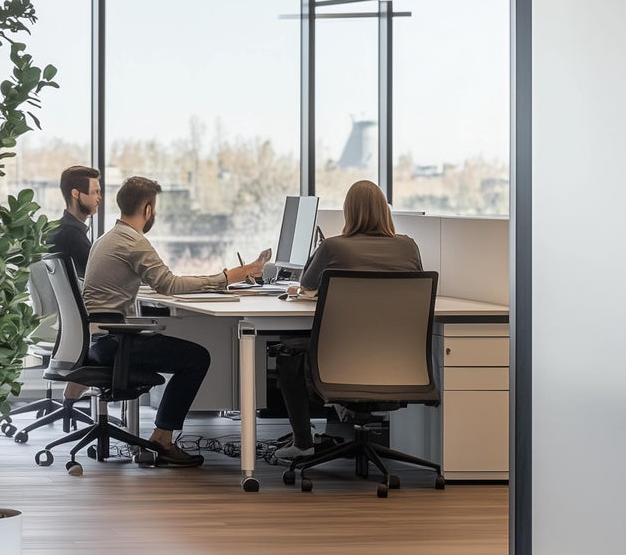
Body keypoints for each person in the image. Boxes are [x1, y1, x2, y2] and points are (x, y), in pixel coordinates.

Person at [83, 175, 271, 467]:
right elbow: (169, 284)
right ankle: (162, 437)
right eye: (154, 207)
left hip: (98, 340)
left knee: (187, 353)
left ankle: (162, 435)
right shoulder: (134, 242)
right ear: (148, 210)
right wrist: (228, 277)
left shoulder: (107, 239)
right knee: (197, 358)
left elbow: (153, 282)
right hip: (114, 342)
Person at [274, 180, 423, 463]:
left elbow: (306, 284)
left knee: (287, 353)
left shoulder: (334, 247)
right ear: (385, 211)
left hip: (339, 364)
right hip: (397, 365)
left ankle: (303, 444)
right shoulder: (409, 247)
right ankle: (344, 413)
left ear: (349, 212)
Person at [47, 165, 101, 278]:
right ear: (76, 194)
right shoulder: (73, 237)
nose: (99, 197)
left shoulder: (56, 230)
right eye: (95, 192)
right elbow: (98, 279)